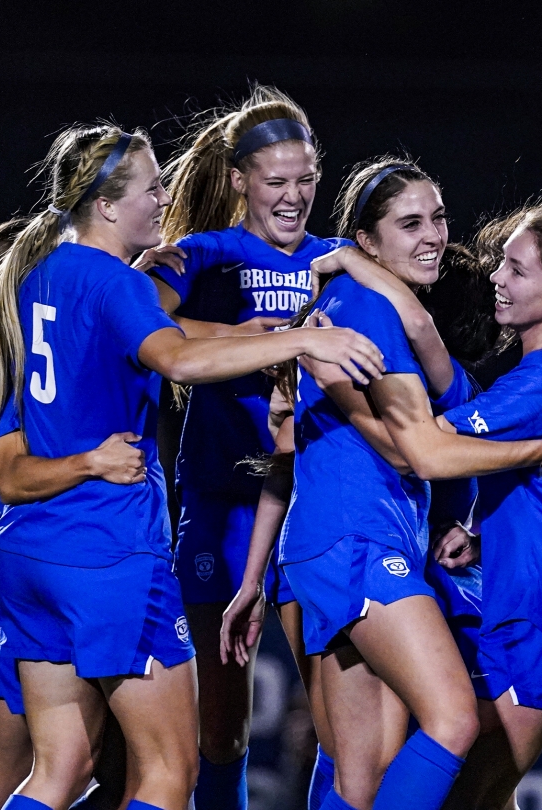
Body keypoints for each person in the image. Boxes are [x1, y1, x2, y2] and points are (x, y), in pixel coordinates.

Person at [0, 122, 384, 810]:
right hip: (109, 552)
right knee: (166, 775)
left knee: (59, 769)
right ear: (104, 205)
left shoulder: (27, 278)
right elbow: (177, 360)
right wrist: (308, 336)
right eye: (151, 187)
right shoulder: (116, 282)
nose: (164, 197)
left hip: (27, 553)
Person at [304, 206, 542, 810]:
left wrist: (338, 389)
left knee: (463, 794)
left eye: (516, 270)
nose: (497, 279)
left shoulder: (540, 381)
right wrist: (486, 532)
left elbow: (423, 451)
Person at [220, 159, 502, 810]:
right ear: (370, 240)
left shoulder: (368, 299)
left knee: (357, 777)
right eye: (410, 223)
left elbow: (435, 403)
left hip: (324, 545)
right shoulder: (364, 306)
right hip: (357, 541)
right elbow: (413, 451)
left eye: (437, 218)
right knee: (453, 718)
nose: (433, 234)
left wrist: (359, 265)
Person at [134, 86, 351, 810]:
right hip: (221, 504)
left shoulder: (344, 261)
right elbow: (133, 316)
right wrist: (241, 338)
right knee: (221, 727)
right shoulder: (207, 255)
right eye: (276, 181)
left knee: (337, 718)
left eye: (305, 180)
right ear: (239, 181)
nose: (293, 197)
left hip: (311, 513)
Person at [0, 219, 150, 810]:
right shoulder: (3, 363)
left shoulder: (27, 353)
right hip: (30, 580)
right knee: (74, 770)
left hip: (5, 574)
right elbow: (13, 475)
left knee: (39, 777)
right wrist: (94, 462)